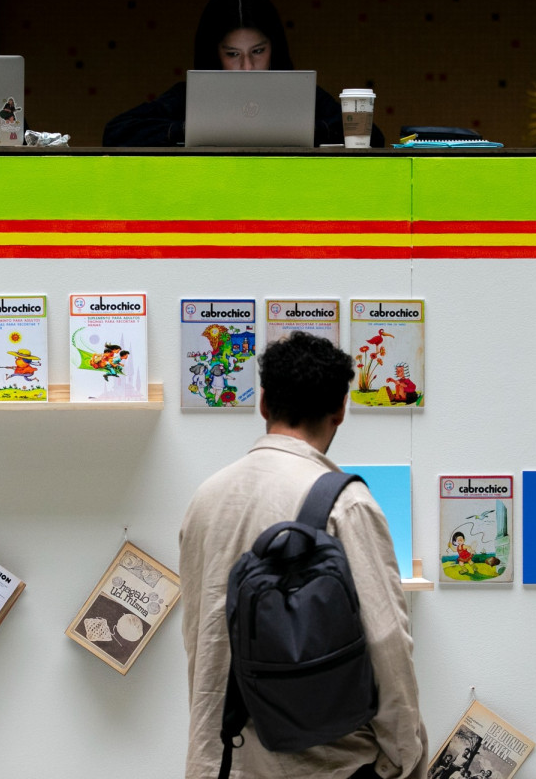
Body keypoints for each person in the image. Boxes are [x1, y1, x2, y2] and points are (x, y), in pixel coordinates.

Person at [179, 331, 426, 778]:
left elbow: (202, 636)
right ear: (340, 410)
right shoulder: (346, 505)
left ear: (264, 404)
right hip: (321, 766)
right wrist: (406, 758)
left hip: (219, 760)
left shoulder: (206, 499)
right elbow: (387, 642)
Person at [104, 0, 385, 148]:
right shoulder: (189, 96)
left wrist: (295, 129)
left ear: (274, 49)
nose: (247, 67)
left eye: (258, 51)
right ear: (215, 54)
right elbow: (115, 132)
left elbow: (372, 136)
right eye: (233, 54)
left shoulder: (299, 93)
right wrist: (193, 129)